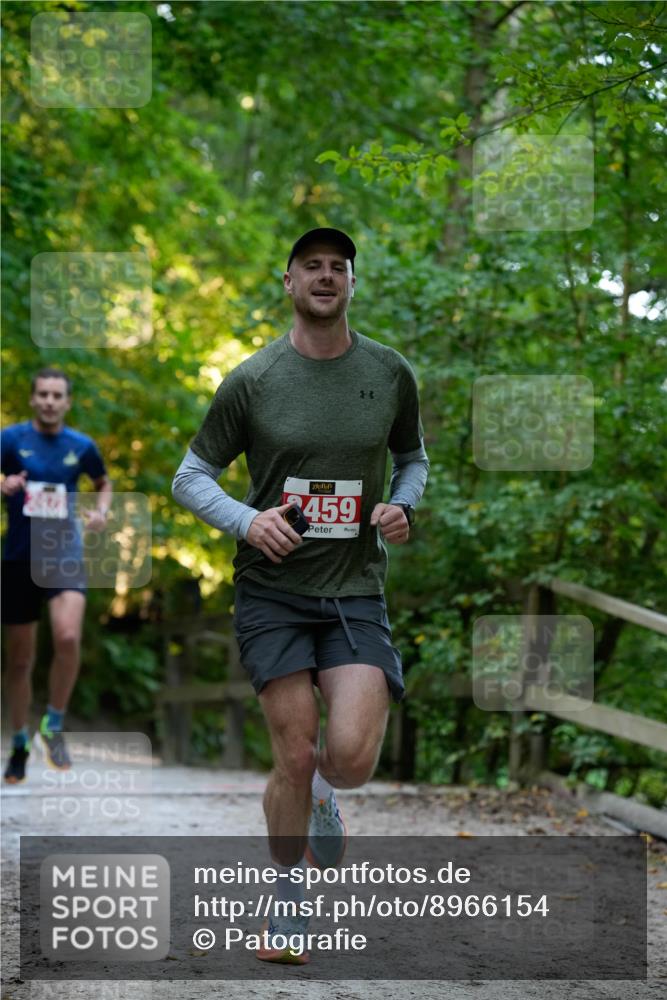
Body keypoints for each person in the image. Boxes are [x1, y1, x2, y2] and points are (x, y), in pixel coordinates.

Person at [172, 227, 429, 963]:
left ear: (351, 283)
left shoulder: (388, 372)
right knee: (291, 751)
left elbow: (411, 459)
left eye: (336, 267)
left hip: (354, 590)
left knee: (345, 758)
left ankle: (325, 789)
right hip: (272, 591)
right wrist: (248, 522)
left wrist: (402, 506)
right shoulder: (252, 380)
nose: (324, 276)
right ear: (286, 282)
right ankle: (288, 901)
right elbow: (189, 478)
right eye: (310, 266)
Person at [1, 368, 112, 783]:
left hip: (65, 555)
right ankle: (17, 742)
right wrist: (4, 483)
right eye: (43, 394)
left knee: (67, 637)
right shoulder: (10, 440)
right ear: (33, 399)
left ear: (67, 402)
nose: (49, 401)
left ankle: (53, 722)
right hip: (18, 560)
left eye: (57, 395)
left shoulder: (81, 446)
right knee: (19, 661)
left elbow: (103, 482)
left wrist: (101, 511)